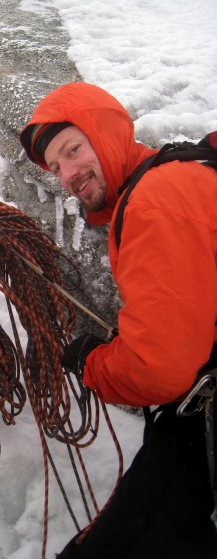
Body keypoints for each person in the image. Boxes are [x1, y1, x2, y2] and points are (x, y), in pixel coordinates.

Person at [20, 82, 217, 558]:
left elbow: (158, 368)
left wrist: (95, 364)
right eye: (55, 167)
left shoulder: (152, 201)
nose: (68, 174)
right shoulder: (183, 170)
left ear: (107, 134)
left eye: (73, 149)